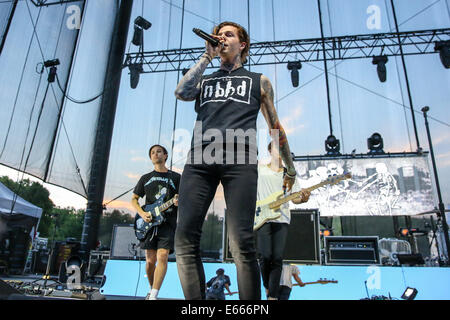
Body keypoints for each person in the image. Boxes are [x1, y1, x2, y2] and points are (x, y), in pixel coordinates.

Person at [174, 21, 298, 300]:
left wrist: (290, 166)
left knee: (241, 242)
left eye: (228, 34)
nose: (222, 37)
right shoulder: (205, 78)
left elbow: (275, 127)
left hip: (239, 159)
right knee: (184, 238)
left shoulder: (259, 80)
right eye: (219, 34)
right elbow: (181, 92)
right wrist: (207, 55)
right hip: (199, 159)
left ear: (243, 45)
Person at [256, 142, 310, 300]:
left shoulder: (289, 174)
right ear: (269, 151)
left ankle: (272, 296)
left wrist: (304, 199)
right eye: (277, 148)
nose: (280, 151)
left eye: (283, 149)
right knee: (265, 256)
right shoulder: (260, 170)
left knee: (277, 258)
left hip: (282, 218)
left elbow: (296, 198)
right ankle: (267, 286)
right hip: (262, 217)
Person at [131, 144, 181, 300]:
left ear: (165, 156)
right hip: (149, 223)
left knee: (163, 256)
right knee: (150, 261)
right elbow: (134, 200)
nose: (155, 154)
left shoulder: (176, 177)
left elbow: (183, 197)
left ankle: (153, 296)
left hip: (168, 222)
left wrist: (180, 201)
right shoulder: (145, 178)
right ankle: (150, 288)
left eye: (159, 151)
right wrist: (143, 213)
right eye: (152, 152)